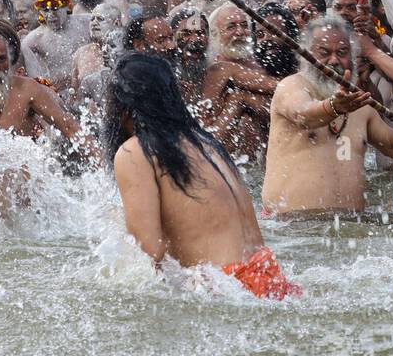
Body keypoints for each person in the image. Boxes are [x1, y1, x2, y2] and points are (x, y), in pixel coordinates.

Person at [107, 53, 298, 299]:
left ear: (122, 107)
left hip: (226, 287)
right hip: (270, 280)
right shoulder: (206, 142)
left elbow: (147, 252)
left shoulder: (135, 151)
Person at [262, 15, 393, 215]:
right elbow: (303, 114)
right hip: (291, 227)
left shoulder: (359, 103)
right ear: (306, 55)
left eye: (342, 52)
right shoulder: (291, 86)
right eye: (324, 52)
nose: (334, 60)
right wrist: (333, 107)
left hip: (352, 227)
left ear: (352, 57)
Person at [0, 19, 81, 141]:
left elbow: (70, 128)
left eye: (1, 59)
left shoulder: (29, 90)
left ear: (11, 60)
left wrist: (100, 166)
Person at [200, 4, 278, 159]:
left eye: (244, 25)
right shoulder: (215, 70)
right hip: (229, 164)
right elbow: (206, 130)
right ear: (215, 34)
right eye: (231, 27)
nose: (240, 32)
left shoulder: (265, 62)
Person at [22, 0, 90, 89]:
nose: (50, 15)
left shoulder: (86, 22)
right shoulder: (33, 40)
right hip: (59, 91)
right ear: (40, 11)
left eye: (55, 9)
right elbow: (37, 81)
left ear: (66, 7)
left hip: (87, 86)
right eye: (45, 10)